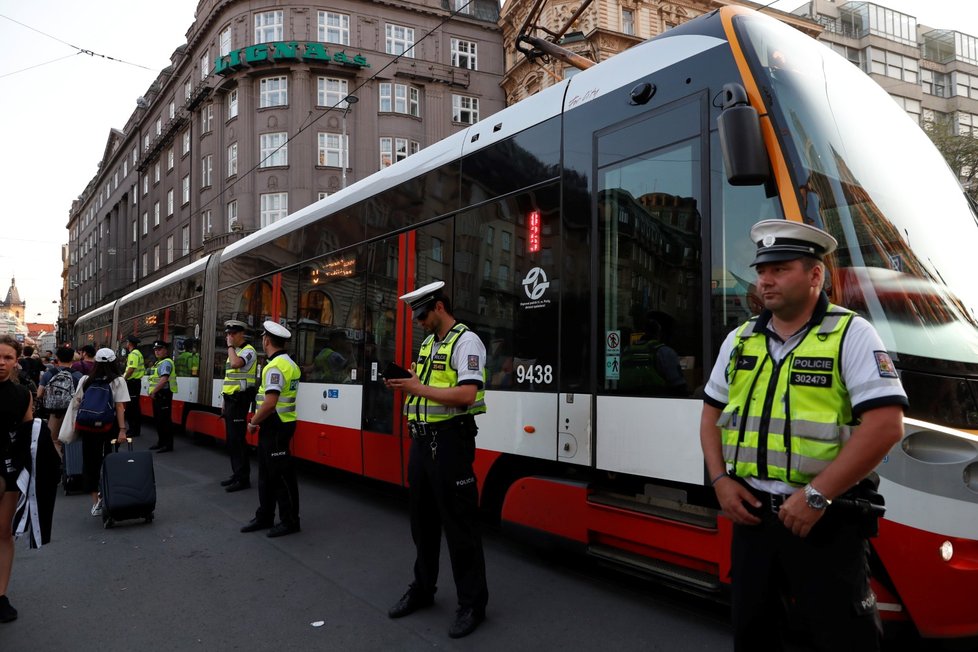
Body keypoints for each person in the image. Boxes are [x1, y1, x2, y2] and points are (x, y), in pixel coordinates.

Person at [699, 220, 907, 651]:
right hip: (753, 523)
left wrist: (816, 496)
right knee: (755, 635)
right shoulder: (740, 340)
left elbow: (886, 426)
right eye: (762, 270)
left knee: (844, 640)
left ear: (815, 275)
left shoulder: (850, 334)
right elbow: (710, 416)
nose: (765, 280)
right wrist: (720, 481)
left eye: (780, 268)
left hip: (826, 525)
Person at [384, 281, 489, 639]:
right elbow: (427, 384)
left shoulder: (467, 341)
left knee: (460, 528)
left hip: (450, 445)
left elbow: (466, 393)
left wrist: (417, 389)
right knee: (422, 525)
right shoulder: (430, 343)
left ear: (440, 308)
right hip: (422, 443)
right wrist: (407, 382)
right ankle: (423, 589)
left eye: (422, 314)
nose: (418, 322)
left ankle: (472, 604)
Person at [239, 321, 301, 538]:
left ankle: (290, 521)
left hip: (275, 426)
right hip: (280, 425)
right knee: (266, 474)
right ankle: (265, 515)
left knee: (280, 476)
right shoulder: (289, 363)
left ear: (266, 340)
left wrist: (253, 422)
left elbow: (270, 403)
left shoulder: (275, 367)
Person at [70, 348, 129, 517]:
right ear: (113, 362)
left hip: (88, 427)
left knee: (90, 462)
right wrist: (122, 430)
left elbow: (78, 402)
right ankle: (109, 494)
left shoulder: (86, 379)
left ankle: (95, 502)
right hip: (109, 427)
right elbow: (120, 407)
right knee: (109, 460)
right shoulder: (118, 380)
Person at [0, 334, 34, 623]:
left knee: (4, 533)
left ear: (16, 362)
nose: (1, 362)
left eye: (8, 357)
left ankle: (0, 596)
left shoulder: (22, 394)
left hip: (10, 471)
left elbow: (27, 436)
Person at [221, 320, 258, 492]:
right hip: (230, 401)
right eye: (228, 334)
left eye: (233, 334)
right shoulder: (234, 352)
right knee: (231, 440)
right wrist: (223, 402)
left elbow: (236, 364)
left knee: (237, 440)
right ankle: (236, 474)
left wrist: (229, 347)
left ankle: (243, 478)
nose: (230, 337)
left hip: (240, 400)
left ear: (242, 334)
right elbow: (229, 379)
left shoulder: (248, 351)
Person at [619, 315, 688, 396]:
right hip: (658, 402)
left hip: (626, 403)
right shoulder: (665, 352)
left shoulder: (626, 352)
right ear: (661, 333)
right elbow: (679, 387)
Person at [36, 346, 84, 456]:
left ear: (57, 357)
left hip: (53, 412)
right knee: (70, 440)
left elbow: (39, 394)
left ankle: (58, 462)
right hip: (71, 413)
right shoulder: (78, 375)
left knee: (53, 440)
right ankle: (70, 463)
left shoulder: (49, 373)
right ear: (72, 358)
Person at [147, 341, 177, 453]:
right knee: (159, 420)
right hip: (158, 395)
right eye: (155, 350)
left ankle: (167, 445)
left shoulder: (166, 362)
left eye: (159, 349)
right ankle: (161, 442)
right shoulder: (159, 362)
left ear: (166, 350)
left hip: (163, 395)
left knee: (164, 421)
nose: (157, 351)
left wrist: (153, 391)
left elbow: (164, 379)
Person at [123, 336, 145, 438]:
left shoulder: (133, 354)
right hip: (135, 383)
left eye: (127, 342)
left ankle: (133, 430)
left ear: (130, 343)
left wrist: (124, 378)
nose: (126, 344)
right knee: (134, 407)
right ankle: (135, 429)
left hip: (133, 383)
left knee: (132, 408)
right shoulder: (137, 353)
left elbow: (131, 369)